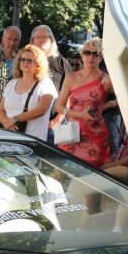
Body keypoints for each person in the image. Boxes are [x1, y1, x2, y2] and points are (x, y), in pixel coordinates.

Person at [49, 39, 112, 167]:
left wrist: (110, 104)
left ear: (100, 58)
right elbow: (59, 106)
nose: (91, 57)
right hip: (71, 134)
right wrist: (79, 114)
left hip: (95, 136)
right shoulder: (71, 78)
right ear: (82, 55)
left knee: (91, 175)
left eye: (95, 54)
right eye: (87, 53)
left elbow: (126, 98)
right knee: (64, 172)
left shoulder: (106, 80)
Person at [0, 47, 57, 139]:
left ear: (39, 63)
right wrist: (5, 122)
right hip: (8, 138)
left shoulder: (45, 83)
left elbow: (42, 110)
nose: (25, 63)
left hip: (32, 140)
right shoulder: (12, 83)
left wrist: (15, 119)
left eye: (29, 60)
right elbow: (1, 110)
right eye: (23, 59)